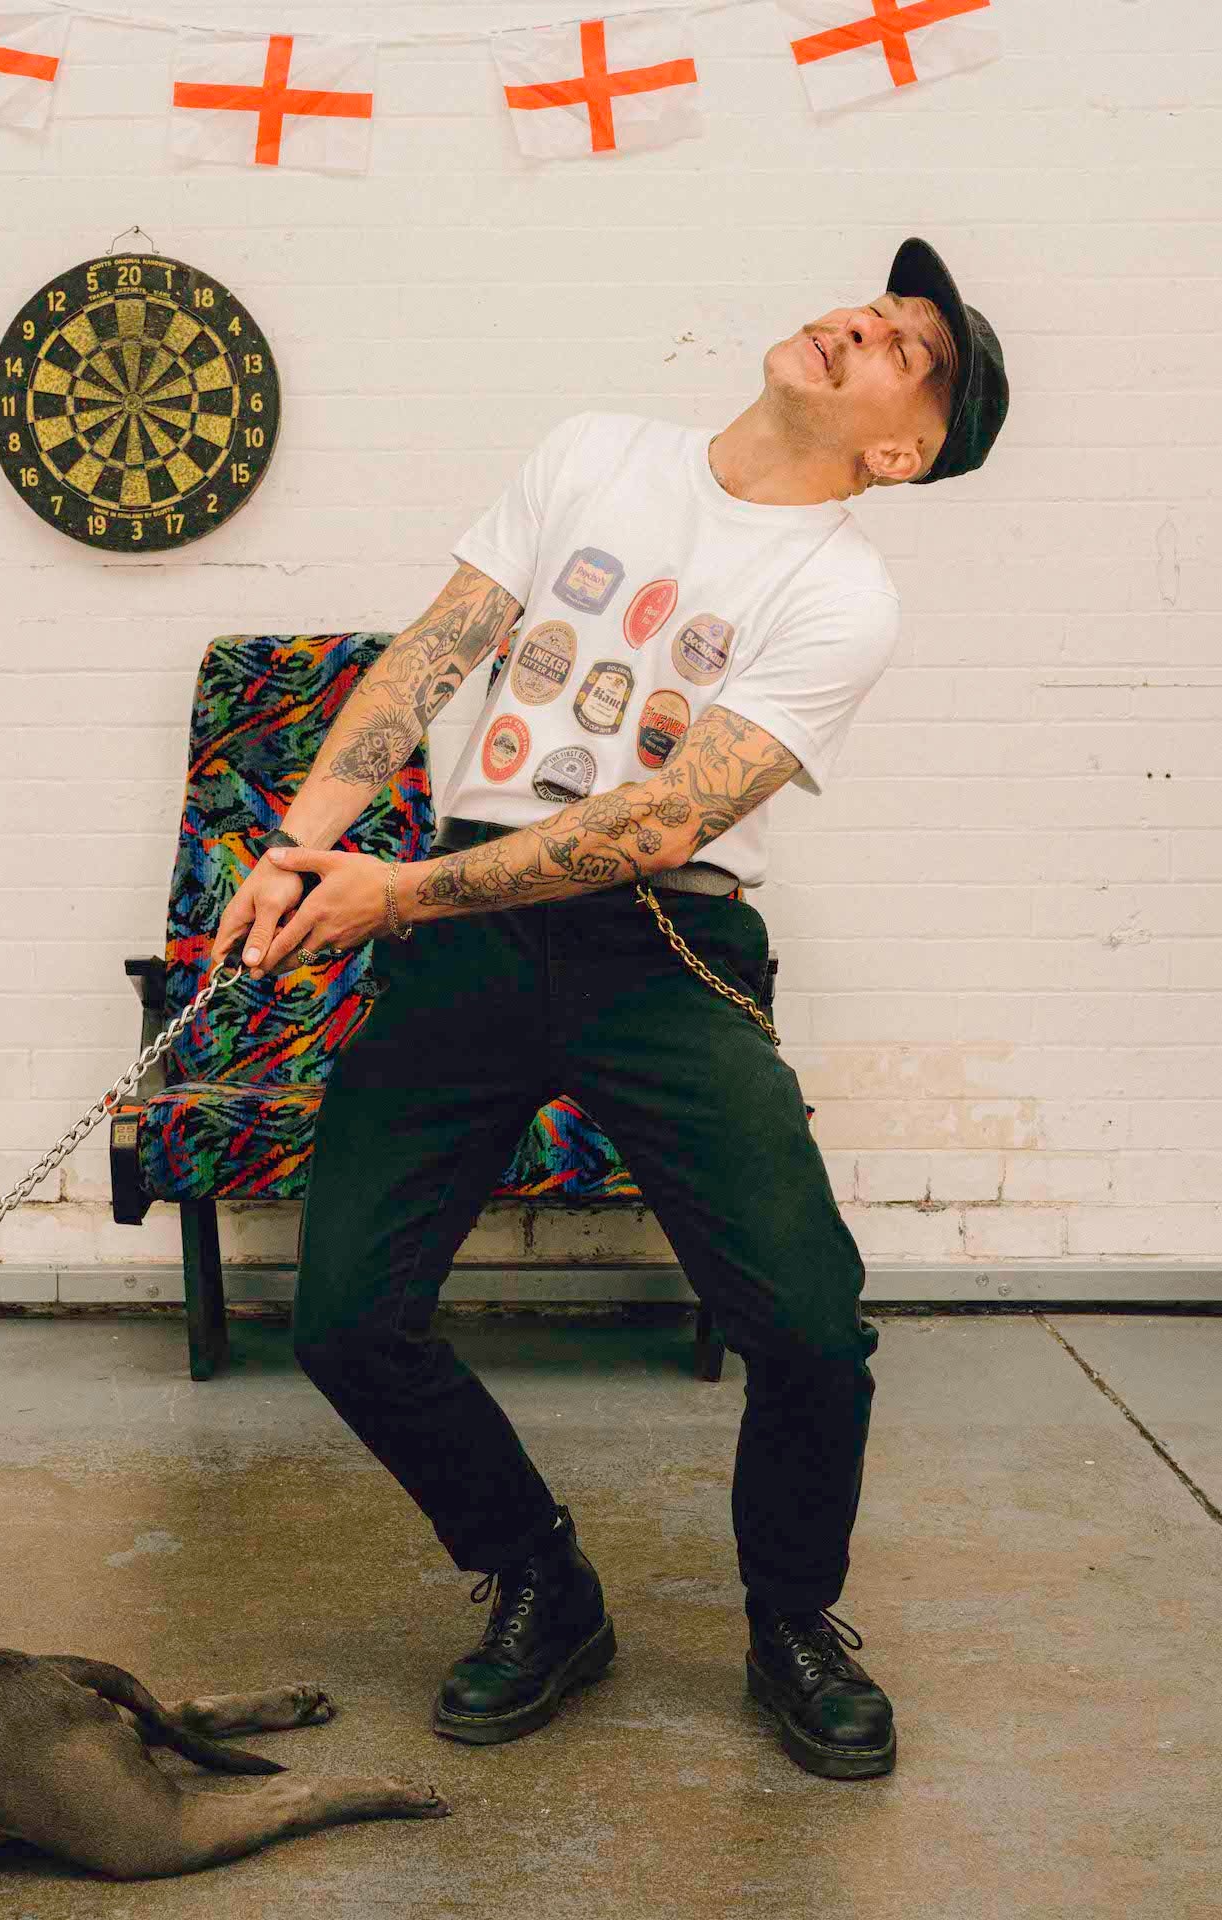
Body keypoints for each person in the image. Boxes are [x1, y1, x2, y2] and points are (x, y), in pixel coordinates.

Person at [212, 237, 1008, 1780]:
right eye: (873, 304)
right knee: (346, 1320)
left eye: (906, 346)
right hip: (467, 936)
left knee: (808, 1327)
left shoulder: (842, 593)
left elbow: (662, 822)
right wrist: (304, 842)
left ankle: (792, 1619)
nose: (861, 322)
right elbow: (434, 654)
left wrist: (395, 895)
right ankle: (542, 1581)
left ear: (902, 453)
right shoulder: (594, 452)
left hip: (661, 948)